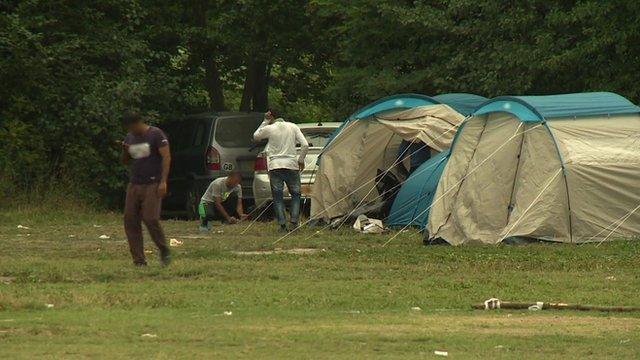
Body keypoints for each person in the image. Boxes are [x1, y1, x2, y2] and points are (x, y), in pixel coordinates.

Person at [121, 112, 171, 266]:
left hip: (153, 183)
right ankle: (139, 260)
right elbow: (125, 161)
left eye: (131, 127)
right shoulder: (130, 137)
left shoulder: (156, 134)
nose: (131, 131)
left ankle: (163, 249)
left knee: (150, 218)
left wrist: (163, 181)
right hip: (135, 183)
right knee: (130, 219)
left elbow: (166, 157)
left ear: (137, 123)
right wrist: (126, 150)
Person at [253, 111, 309, 231]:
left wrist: (265, 121)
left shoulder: (270, 128)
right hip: (291, 165)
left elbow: (256, 136)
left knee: (277, 197)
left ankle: (282, 225)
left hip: (275, 166)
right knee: (295, 195)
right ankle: (293, 222)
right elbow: (304, 145)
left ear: (272, 117)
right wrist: (301, 160)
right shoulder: (293, 126)